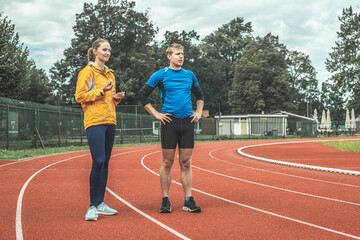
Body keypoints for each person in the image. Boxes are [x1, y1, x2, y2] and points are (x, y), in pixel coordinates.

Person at [138, 43, 204, 213]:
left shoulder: (190, 75)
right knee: (167, 162)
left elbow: (200, 96)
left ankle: (188, 200)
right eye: (177, 54)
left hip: (188, 123)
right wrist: (156, 114)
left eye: (182, 53)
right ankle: (165, 200)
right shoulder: (160, 75)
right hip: (169, 123)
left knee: (186, 163)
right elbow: (142, 94)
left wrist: (198, 111)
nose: (181, 56)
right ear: (169, 56)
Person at [75, 39, 125, 221]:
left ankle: (101, 203)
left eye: (109, 50)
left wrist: (116, 98)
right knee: (98, 161)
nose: (107, 52)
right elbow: (79, 96)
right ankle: (92, 206)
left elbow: (108, 100)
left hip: (110, 121)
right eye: (104, 49)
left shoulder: (111, 74)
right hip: (94, 121)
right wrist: (101, 91)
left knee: (105, 163)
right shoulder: (87, 72)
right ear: (95, 51)